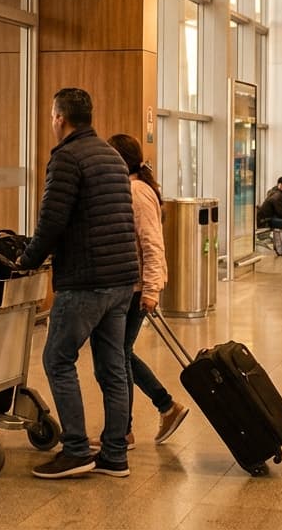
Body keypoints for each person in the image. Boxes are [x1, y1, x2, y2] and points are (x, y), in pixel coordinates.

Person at [17, 88, 139, 479]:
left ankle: (75, 449)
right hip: (122, 279)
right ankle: (115, 454)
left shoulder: (67, 157)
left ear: (59, 117)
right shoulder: (113, 156)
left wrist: (27, 259)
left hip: (86, 280)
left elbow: (52, 221)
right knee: (113, 366)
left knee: (57, 358)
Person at [107, 133, 188, 447]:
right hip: (133, 285)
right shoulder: (135, 187)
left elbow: (152, 244)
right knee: (121, 352)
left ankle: (128, 428)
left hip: (136, 287)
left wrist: (151, 289)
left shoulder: (136, 191)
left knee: (119, 354)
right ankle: (165, 406)